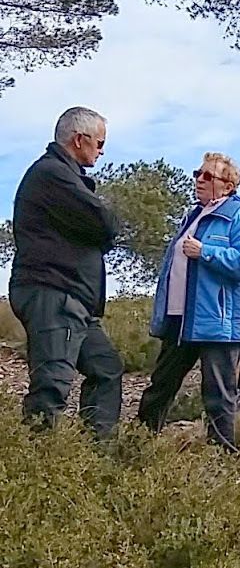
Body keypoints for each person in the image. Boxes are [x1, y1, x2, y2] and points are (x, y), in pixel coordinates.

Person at [9, 106, 123, 438]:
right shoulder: (52, 174)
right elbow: (104, 222)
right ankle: (37, 469)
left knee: (106, 368)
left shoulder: (62, 175)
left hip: (75, 301)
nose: (101, 151)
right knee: (52, 384)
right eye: (100, 144)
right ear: (79, 140)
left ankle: (96, 456)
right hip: (55, 293)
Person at [139, 152, 240, 451]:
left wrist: (206, 252)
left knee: (219, 396)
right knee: (161, 386)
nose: (198, 179)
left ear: (228, 185)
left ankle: (223, 462)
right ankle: (137, 445)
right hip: (181, 319)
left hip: (218, 324)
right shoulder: (193, 215)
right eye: (198, 173)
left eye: (207, 176)